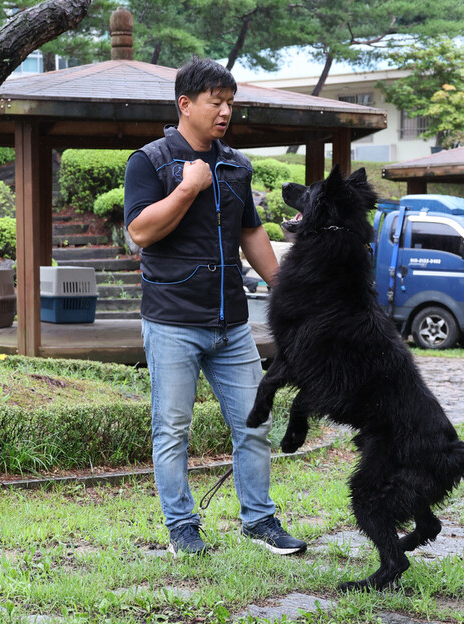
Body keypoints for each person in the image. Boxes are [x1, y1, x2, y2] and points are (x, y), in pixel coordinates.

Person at [124, 58, 306, 557]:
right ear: (186, 105)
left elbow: (252, 234)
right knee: (172, 428)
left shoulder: (238, 166)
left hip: (231, 322)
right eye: (215, 102)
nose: (225, 111)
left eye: (230, 103)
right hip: (172, 321)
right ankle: (182, 527)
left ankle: (260, 520)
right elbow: (139, 231)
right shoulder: (150, 161)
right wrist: (187, 187)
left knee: (254, 420)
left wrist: (287, 291)